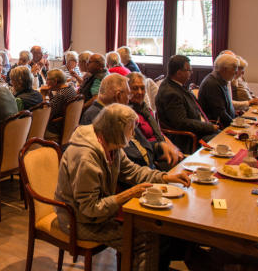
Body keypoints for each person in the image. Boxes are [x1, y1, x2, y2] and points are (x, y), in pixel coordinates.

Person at [55, 103, 191, 271]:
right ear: (116, 130)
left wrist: (165, 177)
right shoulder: (86, 158)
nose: (133, 134)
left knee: (155, 232)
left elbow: (133, 171)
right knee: (144, 240)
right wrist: (128, 194)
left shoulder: (109, 143)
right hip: (77, 221)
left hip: (96, 215)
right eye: (130, 130)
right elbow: (89, 209)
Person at [80, 73, 179, 170]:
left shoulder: (115, 113)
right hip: (137, 172)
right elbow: (127, 159)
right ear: (118, 96)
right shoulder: (99, 118)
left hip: (146, 167)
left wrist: (159, 146)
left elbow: (140, 144)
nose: (129, 100)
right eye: (128, 95)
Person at [155, 55, 219, 152]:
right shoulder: (171, 93)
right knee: (223, 142)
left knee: (225, 137)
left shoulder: (176, 85)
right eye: (189, 70)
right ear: (179, 73)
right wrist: (209, 127)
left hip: (198, 130)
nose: (191, 72)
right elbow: (182, 123)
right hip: (187, 138)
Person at [128, 72, 184, 169]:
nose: (140, 92)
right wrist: (162, 150)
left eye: (142, 88)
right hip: (149, 155)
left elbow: (159, 133)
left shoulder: (146, 109)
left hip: (162, 148)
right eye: (135, 88)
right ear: (127, 90)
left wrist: (174, 148)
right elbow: (138, 146)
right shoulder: (128, 114)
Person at [198, 53, 239, 128]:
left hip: (226, 123)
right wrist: (235, 124)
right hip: (218, 127)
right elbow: (219, 113)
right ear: (224, 69)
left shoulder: (221, 80)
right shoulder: (212, 84)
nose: (236, 73)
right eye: (234, 69)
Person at [43, 69, 77, 137]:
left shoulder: (60, 95)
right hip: (69, 126)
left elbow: (45, 115)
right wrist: (49, 93)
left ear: (55, 81)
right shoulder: (70, 88)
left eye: (47, 79)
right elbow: (55, 104)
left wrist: (43, 95)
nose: (46, 82)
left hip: (56, 129)